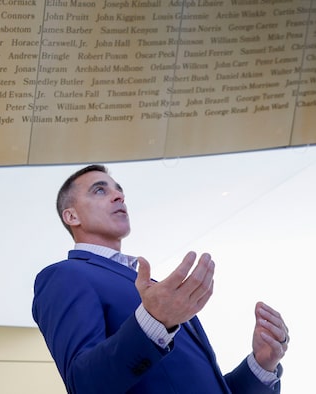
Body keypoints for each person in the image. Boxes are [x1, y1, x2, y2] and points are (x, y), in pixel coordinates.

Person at [32, 164, 289, 393]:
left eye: (118, 190)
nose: (119, 196)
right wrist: (152, 322)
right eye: (100, 190)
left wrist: (261, 365)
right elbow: (83, 385)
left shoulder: (155, 293)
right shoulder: (65, 276)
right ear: (71, 216)